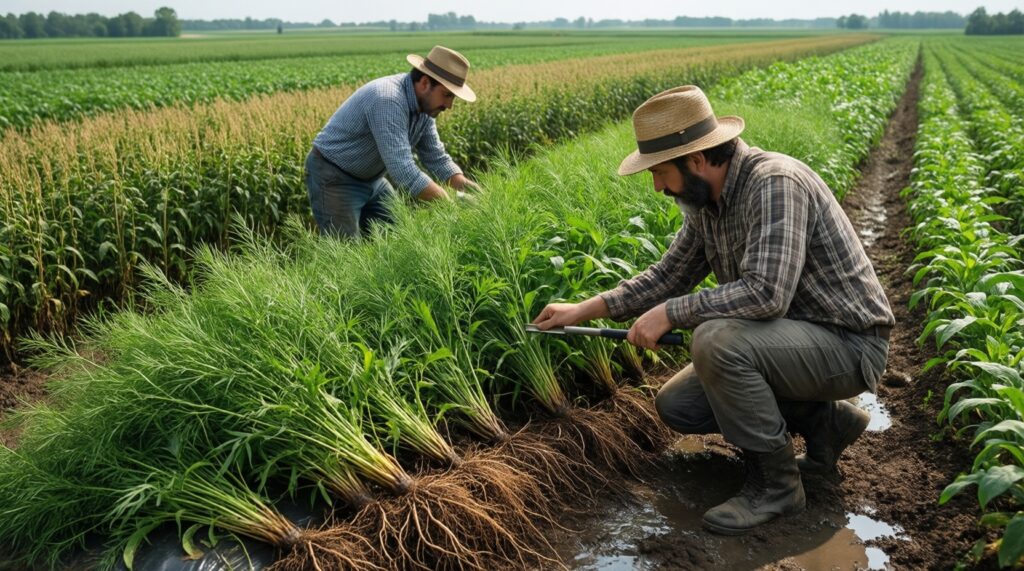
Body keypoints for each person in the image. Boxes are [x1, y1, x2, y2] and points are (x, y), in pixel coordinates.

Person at [531, 85, 894, 535]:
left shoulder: (775, 184)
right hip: (794, 342)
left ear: (698, 159)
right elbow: (668, 275)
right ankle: (826, 423)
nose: (658, 186)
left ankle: (778, 487)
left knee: (716, 340)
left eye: (661, 172)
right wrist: (582, 310)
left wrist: (672, 313)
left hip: (848, 344)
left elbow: (766, 294)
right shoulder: (709, 204)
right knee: (678, 405)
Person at [305, 45, 481, 238]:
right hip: (334, 177)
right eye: (447, 95)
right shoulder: (388, 99)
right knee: (345, 250)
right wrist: (448, 202)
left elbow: (436, 157)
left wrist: (473, 191)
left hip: (372, 180)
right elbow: (403, 170)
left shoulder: (425, 109)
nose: (449, 105)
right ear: (425, 83)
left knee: (401, 236)